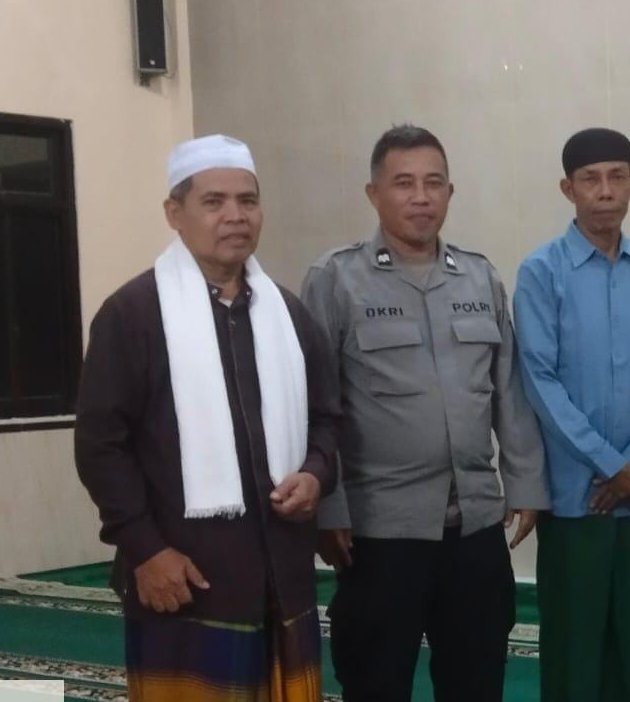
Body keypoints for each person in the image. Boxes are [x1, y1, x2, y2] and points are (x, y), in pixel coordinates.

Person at [74, 134, 341, 702]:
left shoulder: (287, 314)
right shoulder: (133, 315)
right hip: (183, 580)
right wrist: (146, 549)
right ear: (175, 213)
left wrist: (316, 473)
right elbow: (101, 446)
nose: (235, 216)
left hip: (281, 579)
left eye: (248, 201)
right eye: (214, 202)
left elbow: (327, 419)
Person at [300, 124, 549, 702]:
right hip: (380, 530)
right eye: (404, 183)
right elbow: (316, 403)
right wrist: (327, 509)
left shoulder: (479, 276)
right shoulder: (336, 279)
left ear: (450, 193)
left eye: (433, 183)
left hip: (474, 526)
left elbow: (508, 390)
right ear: (374, 194)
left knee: (476, 679)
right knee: (377, 681)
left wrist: (525, 483)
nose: (421, 197)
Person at [513, 128, 630, 701]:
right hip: (575, 497)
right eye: (590, 179)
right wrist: (610, 464)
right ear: (568, 189)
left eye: (617, 177)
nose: (605, 190)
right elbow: (540, 382)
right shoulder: (541, 273)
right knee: (576, 649)